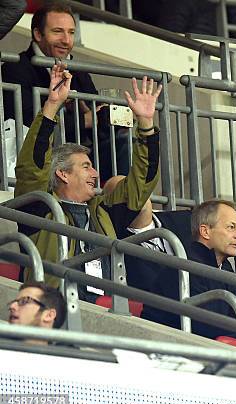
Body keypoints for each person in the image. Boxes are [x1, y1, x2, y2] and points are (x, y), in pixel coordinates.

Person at [14, 64, 161, 303]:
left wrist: (145, 124)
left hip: (106, 309)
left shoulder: (104, 210)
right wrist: (52, 106)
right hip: (55, 306)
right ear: (62, 173)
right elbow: (32, 167)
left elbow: (142, 183)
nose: (95, 173)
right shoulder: (39, 210)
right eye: (86, 166)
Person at [1, 1, 129, 180]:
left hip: (79, 158)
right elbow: (26, 119)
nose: (66, 40)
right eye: (57, 31)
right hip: (41, 160)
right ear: (38, 34)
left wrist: (101, 115)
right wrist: (83, 120)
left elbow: (98, 118)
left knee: (124, 144)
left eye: (71, 32)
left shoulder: (78, 70)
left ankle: (125, 205)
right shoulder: (16, 68)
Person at [136, 199, 236, 339]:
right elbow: (206, 327)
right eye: (231, 227)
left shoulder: (225, 267)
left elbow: (233, 321)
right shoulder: (184, 265)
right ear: (205, 231)